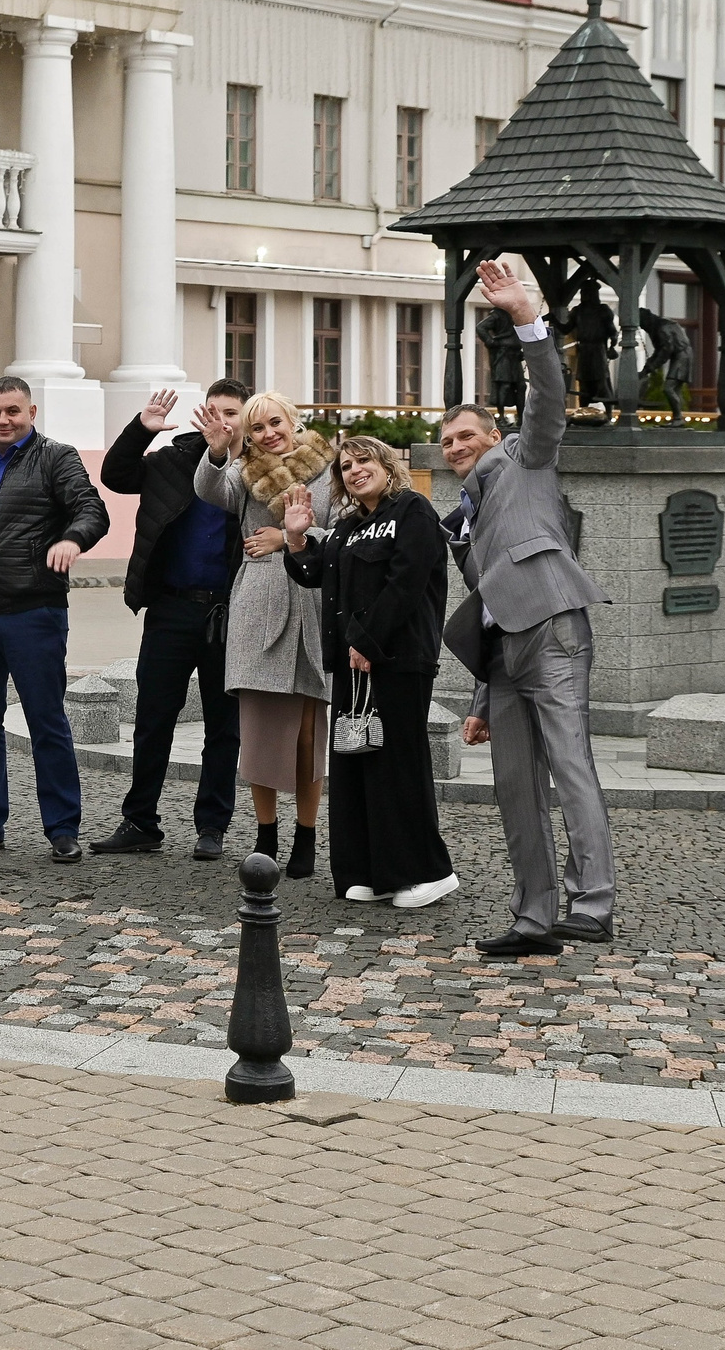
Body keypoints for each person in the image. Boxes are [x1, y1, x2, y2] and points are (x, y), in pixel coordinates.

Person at [436, 259, 614, 960]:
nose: (456, 448)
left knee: (570, 766)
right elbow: (485, 605)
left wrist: (524, 320)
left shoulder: (524, 459)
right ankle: (535, 917)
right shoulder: (465, 520)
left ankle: (592, 904)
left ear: (491, 434)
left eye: (466, 436)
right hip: (505, 652)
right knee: (514, 785)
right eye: (447, 441)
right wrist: (481, 692)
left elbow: (548, 397)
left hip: (554, 630)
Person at [0, 378, 111, 862]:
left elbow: (92, 510)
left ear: (31, 410)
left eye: (12, 411)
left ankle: (62, 828)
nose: (2, 420)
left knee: (46, 722)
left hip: (34, 612)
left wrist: (72, 538)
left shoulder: (57, 457)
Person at [281, 434, 457, 909]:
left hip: (397, 659)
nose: (355, 470)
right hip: (352, 663)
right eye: (345, 466)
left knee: (398, 765)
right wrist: (296, 536)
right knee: (357, 764)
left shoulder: (412, 511)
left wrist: (369, 641)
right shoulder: (348, 523)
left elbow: (408, 582)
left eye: (364, 461)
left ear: (385, 464)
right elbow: (317, 574)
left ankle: (428, 872)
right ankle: (368, 871)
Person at [88, 380, 250, 860]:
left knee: (225, 726)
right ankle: (141, 822)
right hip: (171, 608)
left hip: (231, 612)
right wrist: (142, 430)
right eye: (214, 410)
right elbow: (115, 475)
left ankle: (212, 827)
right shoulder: (173, 461)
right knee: (154, 718)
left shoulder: (260, 471)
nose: (221, 420)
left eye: (232, 412)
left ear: (246, 418)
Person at [191, 390, 337, 875]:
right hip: (259, 600)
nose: (268, 433)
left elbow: (343, 535)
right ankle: (266, 832)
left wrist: (292, 537)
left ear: (293, 420)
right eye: (256, 428)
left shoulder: (328, 469)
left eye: (275, 422)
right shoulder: (244, 471)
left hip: (313, 600)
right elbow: (212, 492)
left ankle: (307, 836)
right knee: (258, 732)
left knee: (307, 733)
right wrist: (216, 452)